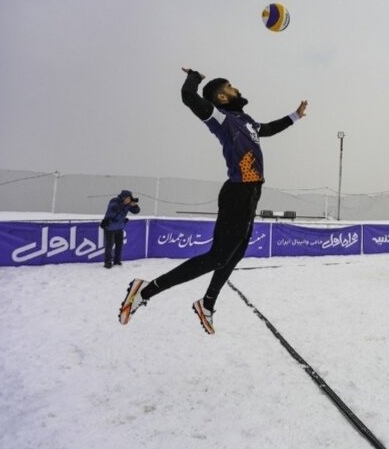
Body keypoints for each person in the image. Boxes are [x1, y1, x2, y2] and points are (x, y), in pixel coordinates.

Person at [118, 68, 308, 334]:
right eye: (231, 86)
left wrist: (294, 116)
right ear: (221, 96)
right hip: (238, 193)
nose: (236, 88)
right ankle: (144, 291)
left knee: (236, 253)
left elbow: (267, 129)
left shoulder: (247, 121)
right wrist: (195, 77)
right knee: (217, 257)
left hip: (251, 194)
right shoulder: (221, 117)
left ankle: (206, 304)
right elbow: (188, 96)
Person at [101, 190, 141, 268]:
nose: (129, 199)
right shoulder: (114, 201)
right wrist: (125, 203)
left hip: (119, 227)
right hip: (110, 227)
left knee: (119, 245)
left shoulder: (128, 204)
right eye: (128, 198)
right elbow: (114, 209)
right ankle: (108, 261)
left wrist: (134, 205)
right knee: (109, 245)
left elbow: (136, 211)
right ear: (124, 197)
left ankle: (117, 261)